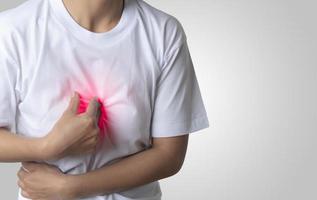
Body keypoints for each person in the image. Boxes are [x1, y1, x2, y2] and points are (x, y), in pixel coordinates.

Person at [0, 0, 209, 199]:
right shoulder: (14, 30)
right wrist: (47, 147)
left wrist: (71, 188)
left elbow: (169, 155)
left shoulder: (163, 33)